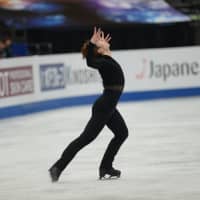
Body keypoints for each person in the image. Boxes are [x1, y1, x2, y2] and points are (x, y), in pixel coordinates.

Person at [49, 27, 128, 181]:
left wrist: (100, 46)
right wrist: (92, 44)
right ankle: (57, 167)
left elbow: (98, 56)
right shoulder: (103, 62)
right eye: (101, 43)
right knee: (85, 139)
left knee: (122, 133)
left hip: (109, 107)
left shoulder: (107, 60)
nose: (103, 41)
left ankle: (106, 167)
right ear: (98, 51)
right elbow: (90, 62)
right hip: (104, 107)